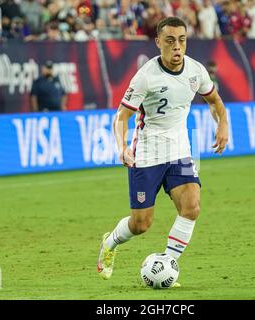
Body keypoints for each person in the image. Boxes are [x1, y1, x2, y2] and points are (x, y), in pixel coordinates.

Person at [97, 17, 229, 285]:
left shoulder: (196, 71)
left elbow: (214, 100)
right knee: (141, 224)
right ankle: (110, 242)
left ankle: (166, 264)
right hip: (147, 154)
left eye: (181, 40)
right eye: (170, 41)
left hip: (180, 151)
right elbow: (121, 117)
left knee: (191, 207)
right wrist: (122, 147)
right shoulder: (146, 76)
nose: (177, 47)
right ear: (158, 43)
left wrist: (223, 124)